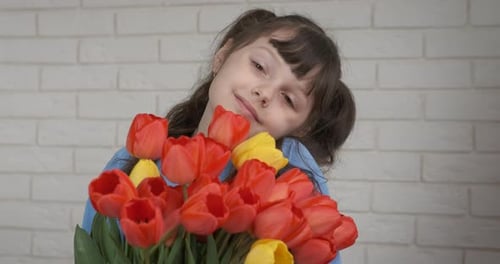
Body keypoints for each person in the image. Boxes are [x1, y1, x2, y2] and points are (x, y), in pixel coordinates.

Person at [82, 8, 355, 263]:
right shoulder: (136, 161)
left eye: (288, 98)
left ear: (301, 127)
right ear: (222, 56)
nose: (265, 93)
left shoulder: (294, 185)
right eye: (259, 66)